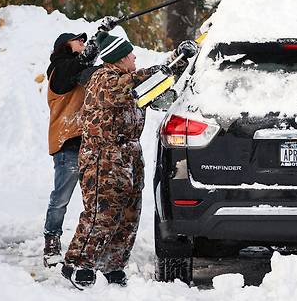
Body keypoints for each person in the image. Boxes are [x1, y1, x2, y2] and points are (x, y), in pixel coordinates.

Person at [61, 32, 198, 287]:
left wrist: (181, 60)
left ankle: (113, 265)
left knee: (128, 216)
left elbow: (157, 84)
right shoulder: (104, 80)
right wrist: (174, 61)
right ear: (120, 58)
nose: (135, 57)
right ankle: (78, 263)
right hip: (104, 158)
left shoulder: (130, 82)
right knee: (102, 214)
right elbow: (140, 81)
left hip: (129, 158)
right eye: (130, 54)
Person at [43, 17, 118, 267]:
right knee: (61, 198)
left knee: (96, 200)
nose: (83, 43)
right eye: (79, 40)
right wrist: (100, 34)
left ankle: (93, 246)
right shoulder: (59, 71)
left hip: (88, 143)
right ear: (65, 46)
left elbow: (92, 69)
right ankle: (51, 242)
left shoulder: (77, 71)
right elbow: (83, 62)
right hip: (68, 144)